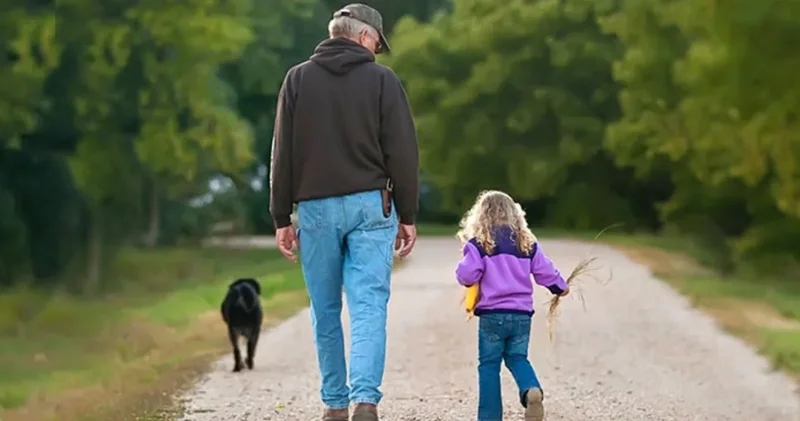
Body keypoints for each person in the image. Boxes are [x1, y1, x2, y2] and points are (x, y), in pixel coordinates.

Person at [268, 3, 419, 421]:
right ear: (364, 37)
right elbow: (403, 152)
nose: (377, 50)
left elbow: (282, 152)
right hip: (372, 205)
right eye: (376, 43)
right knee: (369, 305)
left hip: (314, 208)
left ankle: (335, 404)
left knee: (325, 308)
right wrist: (408, 213)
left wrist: (281, 216)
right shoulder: (382, 81)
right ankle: (364, 402)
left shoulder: (297, 79)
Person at [454, 190, 570, 421]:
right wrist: (560, 287)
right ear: (515, 214)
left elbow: (466, 276)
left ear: (481, 216)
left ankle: (489, 417)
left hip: (492, 316)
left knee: (488, 365)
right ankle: (530, 390)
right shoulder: (526, 244)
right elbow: (545, 272)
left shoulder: (479, 245)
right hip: (521, 315)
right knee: (517, 358)